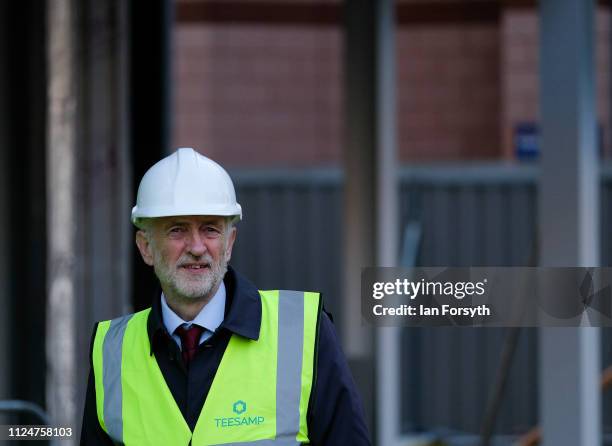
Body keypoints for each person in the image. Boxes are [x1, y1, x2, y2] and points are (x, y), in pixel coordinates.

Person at [80, 148, 371, 445]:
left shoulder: (304, 333)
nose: (196, 247)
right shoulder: (111, 351)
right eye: (177, 230)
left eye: (210, 229)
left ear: (229, 242)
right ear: (145, 247)